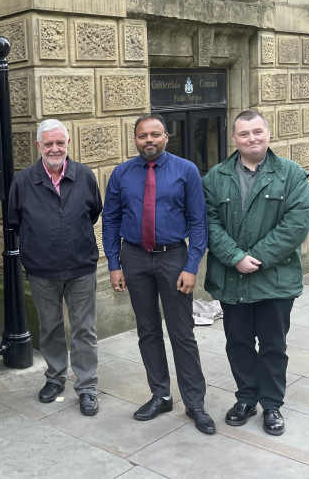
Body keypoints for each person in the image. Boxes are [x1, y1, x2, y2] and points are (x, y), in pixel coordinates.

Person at [102, 112, 214, 434]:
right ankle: (161, 394)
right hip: (134, 259)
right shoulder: (121, 174)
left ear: (166, 136)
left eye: (155, 134)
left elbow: (198, 222)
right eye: (142, 136)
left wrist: (192, 266)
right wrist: (113, 263)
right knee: (147, 330)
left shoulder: (186, 171)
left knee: (182, 332)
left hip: (173, 258)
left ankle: (195, 403)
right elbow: (110, 221)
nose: (148, 140)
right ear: (135, 139)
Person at [203, 110, 309, 436]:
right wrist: (235, 256)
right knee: (237, 343)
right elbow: (208, 222)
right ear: (234, 139)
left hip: (275, 279)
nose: (252, 138)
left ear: (268, 133)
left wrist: (257, 257)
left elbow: (296, 224)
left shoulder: (291, 174)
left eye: (257, 131)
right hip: (232, 278)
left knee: (273, 345)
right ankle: (246, 398)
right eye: (244, 134)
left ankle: (272, 405)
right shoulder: (215, 177)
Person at [8, 119, 102, 416]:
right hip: (42, 270)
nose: (54, 148)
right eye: (48, 143)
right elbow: (14, 221)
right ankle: (55, 378)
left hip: (81, 267)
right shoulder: (23, 181)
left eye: (59, 142)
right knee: (50, 328)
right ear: (38, 146)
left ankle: (87, 387)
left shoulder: (84, 175)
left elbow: (94, 212)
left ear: (68, 143)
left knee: (84, 330)